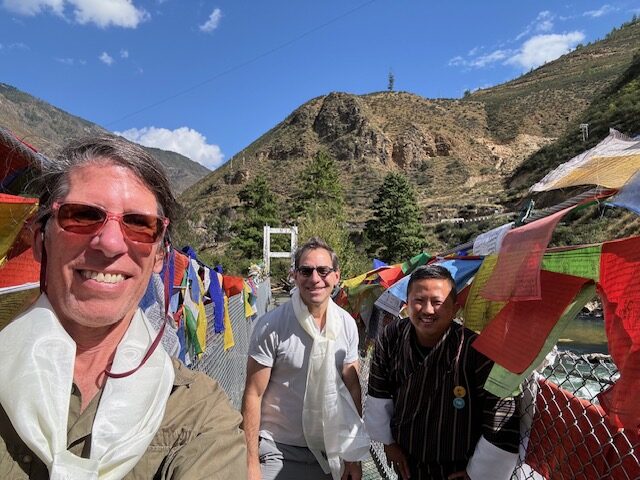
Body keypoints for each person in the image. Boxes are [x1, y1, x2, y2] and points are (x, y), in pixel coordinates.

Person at [0, 136, 247, 479]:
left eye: (139, 224)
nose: (111, 243)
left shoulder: (197, 414)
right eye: (82, 215)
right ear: (41, 240)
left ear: (160, 255)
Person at [364, 265, 520, 480]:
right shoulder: (392, 337)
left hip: (457, 468)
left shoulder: (475, 350)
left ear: (455, 308)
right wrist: (387, 442)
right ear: (407, 304)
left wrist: (478, 473)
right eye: (418, 301)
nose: (427, 310)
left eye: (437, 302)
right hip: (407, 465)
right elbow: (378, 389)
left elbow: (501, 413)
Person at [241, 237, 369, 480]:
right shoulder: (272, 325)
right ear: (295, 276)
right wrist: (251, 462)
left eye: (323, 270)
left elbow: (352, 388)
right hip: (280, 448)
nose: (315, 278)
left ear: (336, 276)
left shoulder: (347, 325)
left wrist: (352, 456)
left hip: (331, 447)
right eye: (306, 271)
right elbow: (253, 394)